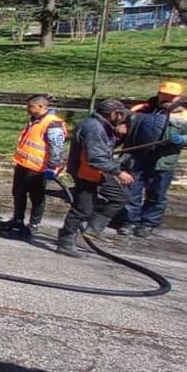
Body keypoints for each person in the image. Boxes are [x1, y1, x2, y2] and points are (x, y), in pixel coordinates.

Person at [117, 82, 187, 238]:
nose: (166, 98)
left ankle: (147, 223)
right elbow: (121, 127)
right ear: (159, 93)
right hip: (137, 158)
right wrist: (120, 130)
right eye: (164, 94)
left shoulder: (184, 116)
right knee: (132, 191)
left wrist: (182, 139)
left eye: (171, 96)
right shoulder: (139, 109)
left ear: (179, 98)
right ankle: (129, 221)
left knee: (157, 193)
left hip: (163, 161)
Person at [56, 99, 134, 258]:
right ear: (110, 113)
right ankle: (65, 241)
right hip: (86, 172)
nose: (121, 117)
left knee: (120, 196)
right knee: (82, 209)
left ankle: (94, 228)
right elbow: (96, 157)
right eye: (119, 114)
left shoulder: (102, 126)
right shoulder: (93, 128)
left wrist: (119, 137)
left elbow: (103, 149)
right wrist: (118, 172)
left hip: (98, 172)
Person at [1, 95, 66, 239]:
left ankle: (33, 225)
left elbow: (57, 148)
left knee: (36, 197)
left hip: (39, 169)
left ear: (41, 107)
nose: (27, 109)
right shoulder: (34, 121)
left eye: (31, 106)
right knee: (18, 193)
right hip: (24, 165)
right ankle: (17, 221)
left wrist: (52, 168)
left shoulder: (53, 124)